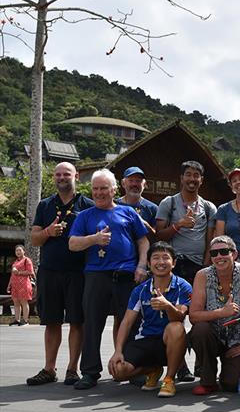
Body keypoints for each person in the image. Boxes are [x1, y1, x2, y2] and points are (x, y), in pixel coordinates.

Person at [68, 168, 149, 389]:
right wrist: (94, 239)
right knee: (92, 323)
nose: (99, 193)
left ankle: (131, 368)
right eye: (95, 189)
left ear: (114, 189)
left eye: (104, 188)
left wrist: (142, 265)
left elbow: (143, 241)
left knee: (131, 323)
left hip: (126, 275)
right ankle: (90, 372)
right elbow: (72, 244)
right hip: (96, 275)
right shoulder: (84, 216)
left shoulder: (129, 212)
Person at [26, 162, 94, 386]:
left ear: (76, 176)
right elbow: (34, 239)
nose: (62, 177)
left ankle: (72, 369)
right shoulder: (45, 205)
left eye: (66, 174)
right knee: (51, 321)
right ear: (53, 178)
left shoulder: (87, 205)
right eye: (58, 174)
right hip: (49, 271)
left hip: (78, 272)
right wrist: (48, 231)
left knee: (77, 321)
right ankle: (49, 368)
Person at [107, 242, 191, 398]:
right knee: (118, 371)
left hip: (169, 342)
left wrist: (168, 306)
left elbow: (179, 317)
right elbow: (126, 323)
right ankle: (152, 369)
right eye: (155, 258)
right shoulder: (140, 290)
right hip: (145, 339)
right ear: (148, 263)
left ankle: (169, 379)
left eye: (166, 258)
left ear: (173, 263)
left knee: (176, 328)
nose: (160, 262)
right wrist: (117, 351)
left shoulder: (182, 286)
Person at [188, 235, 240, 394]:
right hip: (213, 335)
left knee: (232, 385)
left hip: (238, 338)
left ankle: (230, 370)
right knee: (200, 330)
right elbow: (193, 315)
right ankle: (207, 381)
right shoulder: (203, 275)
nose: (219, 257)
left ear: (234, 254)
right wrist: (221, 312)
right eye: (214, 253)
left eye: (223, 252)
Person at [156, 160, 217, 284]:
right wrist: (179, 224)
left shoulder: (208, 207)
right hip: (173, 263)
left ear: (201, 180)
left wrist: (205, 266)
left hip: (198, 265)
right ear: (182, 178)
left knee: (196, 302)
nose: (192, 179)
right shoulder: (168, 203)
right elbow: (159, 236)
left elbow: (210, 239)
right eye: (188, 174)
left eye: (196, 175)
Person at [116, 166, 158, 237]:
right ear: (123, 184)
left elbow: (157, 236)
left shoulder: (153, 208)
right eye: (131, 180)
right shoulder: (114, 205)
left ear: (144, 185)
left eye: (138, 181)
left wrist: (145, 225)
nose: (134, 184)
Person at [7, 245, 34, 326]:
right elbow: (12, 274)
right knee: (16, 302)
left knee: (23, 301)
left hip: (24, 284)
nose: (18, 252)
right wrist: (9, 285)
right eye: (16, 251)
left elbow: (31, 272)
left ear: (24, 251)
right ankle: (17, 319)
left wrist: (19, 272)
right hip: (15, 285)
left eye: (19, 250)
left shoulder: (27, 260)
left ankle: (25, 320)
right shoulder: (15, 262)